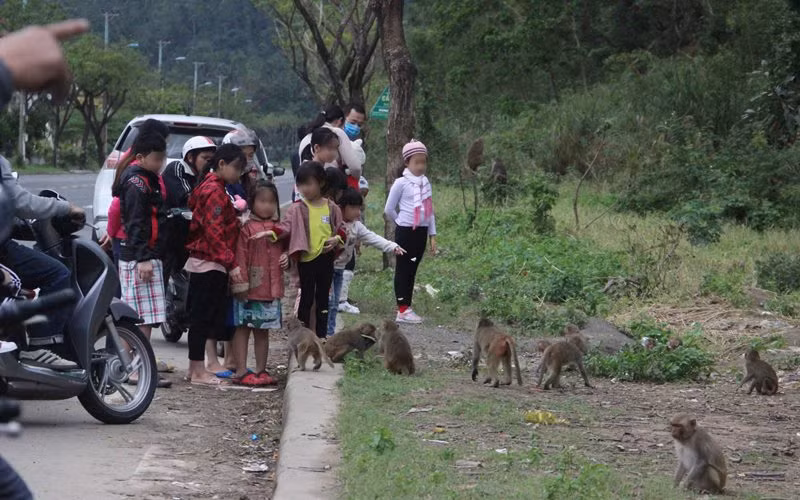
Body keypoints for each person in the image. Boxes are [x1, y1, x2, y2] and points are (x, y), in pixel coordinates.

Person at [114, 131, 173, 388]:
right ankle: (133, 368)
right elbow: (136, 223)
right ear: (140, 157)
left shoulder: (145, 179)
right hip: (141, 258)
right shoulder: (138, 184)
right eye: (157, 158)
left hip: (146, 255)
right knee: (140, 318)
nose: (161, 163)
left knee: (145, 317)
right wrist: (143, 259)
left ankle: (137, 366)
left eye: (163, 158)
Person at [184, 144, 244, 385]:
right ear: (221, 164)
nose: (238, 174)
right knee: (201, 318)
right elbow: (214, 232)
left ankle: (194, 367)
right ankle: (198, 370)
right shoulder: (215, 192)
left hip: (207, 261)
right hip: (209, 262)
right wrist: (232, 263)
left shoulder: (211, 187)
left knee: (201, 317)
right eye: (236, 168)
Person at [230, 181, 286, 386]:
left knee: (263, 330)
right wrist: (240, 284)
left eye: (272, 202)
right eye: (262, 201)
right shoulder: (245, 228)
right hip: (248, 289)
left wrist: (287, 256)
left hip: (271, 289)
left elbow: (288, 249)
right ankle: (242, 370)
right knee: (243, 328)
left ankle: (261, 370)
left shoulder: (279, 229)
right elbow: (240, 256)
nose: (267, 206)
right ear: (252, 202)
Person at [328, 188, 404, 336]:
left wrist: (393, 246)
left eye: (359, 208)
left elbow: (372, 238)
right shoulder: (333, 222)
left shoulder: (356, 226)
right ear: (342, 207)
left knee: (334, 304)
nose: (357, 212)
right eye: (353, 208)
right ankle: (324, 333)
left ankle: (329, 334)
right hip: (326, 269)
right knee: (328, 303)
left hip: (339, 270)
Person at [281, 161, 345, 339]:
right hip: (306, 260)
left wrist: (337, 239)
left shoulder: (331, 207)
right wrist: (271, 233)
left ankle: (322, 337)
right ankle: (304, 337)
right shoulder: (297, 209)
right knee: (306, 298)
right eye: (300, 184)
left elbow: (342, 229)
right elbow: (285, 229)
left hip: (325, 258)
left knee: (324, 297)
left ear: (321, 183)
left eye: (308, 184)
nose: (304, 189)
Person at [384, 139, 438, 324]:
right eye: (417, 162)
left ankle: (407, 307)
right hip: (406, 232)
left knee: (412, 269)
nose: (421, 166)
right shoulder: (401, 183)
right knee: (403, 269)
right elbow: (389, 209)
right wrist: (401, 223)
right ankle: (402, 309)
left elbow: (429, 211)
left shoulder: (425, 183)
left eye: (424, 161)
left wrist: (432, 235)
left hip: (421, 232)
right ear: (407, 162)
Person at [106, 119, 170, 264]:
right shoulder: (139, 172)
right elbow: (117, 207)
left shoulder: (142, 165)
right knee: (128, 286)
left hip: (140, 240)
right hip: (132, 242)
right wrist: (111, 233)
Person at [161, 135, 217, 280]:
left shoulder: (206, 175)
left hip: (189, 233)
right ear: (191, 157)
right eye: (205, 158)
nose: (208, 163)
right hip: (171, 232)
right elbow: (187, 198)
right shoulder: (178, 168)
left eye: (211, 160)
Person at [298, 105, 362, 183]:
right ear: (340, 121)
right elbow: (355, 167)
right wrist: (356, 181)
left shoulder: (306, 137)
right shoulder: (336, 133)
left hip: (304, 184)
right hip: (329, 185)